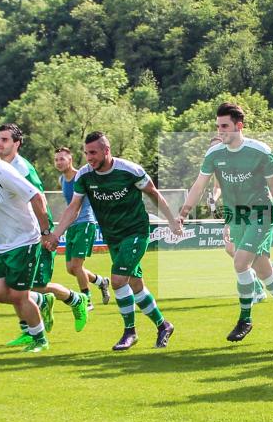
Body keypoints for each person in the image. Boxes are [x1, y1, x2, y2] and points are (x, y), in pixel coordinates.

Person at [43, 132, 185, 351]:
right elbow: (74, 207)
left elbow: (153, 193)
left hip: (136, 232)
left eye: (93, 152)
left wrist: (172, 221)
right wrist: (57, 233)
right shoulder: (84, 176)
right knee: (136, 285)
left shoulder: (129, 170)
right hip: (113, 236)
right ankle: (163, 325)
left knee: (118, 280)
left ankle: (130, 332)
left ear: (106, 151)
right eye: (86, 153)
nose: (89, 157)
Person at [177, 103, 273, 342]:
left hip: (260, 214)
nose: (220, 131)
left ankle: (245, 319)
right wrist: (183, 213)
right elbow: (199, 184)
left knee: (240, 262)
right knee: (263, 270)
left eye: (225, 126)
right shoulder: (214, 154)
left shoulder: (260, 151)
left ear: (239, 126)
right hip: (235, 216)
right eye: (218, 126)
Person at [0, 129, 56, 352]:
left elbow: (36, 195)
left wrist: (46, 232)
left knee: (18, 295)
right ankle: (41, 300)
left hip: (25, 240)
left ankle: (40, 339)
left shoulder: (1, 169)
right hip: (2, 243)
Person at [0, 124, 92, 331]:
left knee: (34, 286)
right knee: (11, 286)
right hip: (12, 237)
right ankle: (33, 320)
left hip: (32, 236)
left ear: (17, 143)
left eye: (5, 140)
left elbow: (40, 200)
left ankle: (75, 299)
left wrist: (46, 233)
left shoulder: (22, 168)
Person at [53, 147, 113, 305]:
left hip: (85, 223)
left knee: (77, 265)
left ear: (70, 159)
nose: (59, 162)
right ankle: (101, 282)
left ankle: (86, 301)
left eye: (62, 159)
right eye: (56, 159)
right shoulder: (61, 180)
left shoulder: (81, 176)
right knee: (70, 268)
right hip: (72, 226)